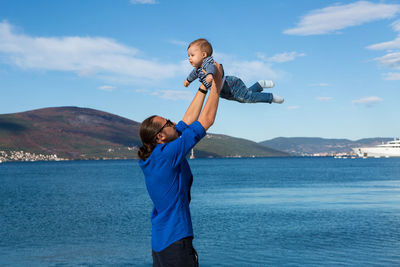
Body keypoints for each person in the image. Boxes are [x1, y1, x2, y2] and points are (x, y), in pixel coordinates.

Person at [138, 64, 223, 266]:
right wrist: (217, 84)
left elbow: (186, 121)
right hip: (176, 242)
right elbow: (207, 120)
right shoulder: (168, 154)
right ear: (160, 136)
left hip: (160, 243)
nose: (173, 123)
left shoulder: (156, 155)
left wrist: (203, 87)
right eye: (168, 123)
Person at [184, 38, 284, 104]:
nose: (189, 58)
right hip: (224, 92)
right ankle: (259, 85)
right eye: (189, 56)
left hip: (230, 85)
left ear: (204, 55)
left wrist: (210, 75)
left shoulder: (207, 62)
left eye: (192, 55)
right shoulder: (197, 69)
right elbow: (193, 74)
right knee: (245, 97)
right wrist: (188, 80)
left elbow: (212, 68)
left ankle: (271, 97)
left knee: (247, 97)